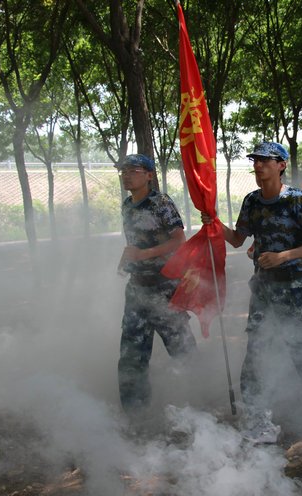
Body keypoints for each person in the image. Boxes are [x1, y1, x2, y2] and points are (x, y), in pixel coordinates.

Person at [202, 141, 302, 444]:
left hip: (296, 291)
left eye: (266, 160)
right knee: (256, 355)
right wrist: (214, 224)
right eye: (255, 160)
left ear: (281, 165)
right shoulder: (252, 201)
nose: (259, 165)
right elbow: (237, 240)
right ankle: (259, 422)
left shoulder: (296, 200)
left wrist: (283, 256)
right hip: (264, 292)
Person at [116, 154, 196, 417]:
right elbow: (134, 243)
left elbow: (179, 240)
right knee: (132, 355)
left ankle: (198, 402)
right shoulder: (128, 205)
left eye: (133, 170)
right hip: (137, 289)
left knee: (182, 350)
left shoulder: (161, 203)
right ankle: (135, 413)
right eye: (123, 171)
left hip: (164, 288)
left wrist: (144, 255)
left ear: (149, 175)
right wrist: (127, 259)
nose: (127, 175)